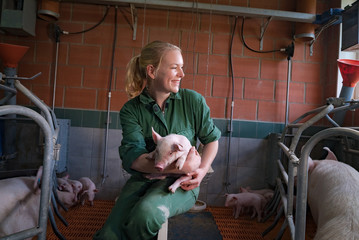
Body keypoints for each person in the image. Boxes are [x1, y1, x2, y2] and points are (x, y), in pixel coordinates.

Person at [93, 41, 221, 240]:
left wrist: (200, 170)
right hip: (141, 180)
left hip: (182, 185)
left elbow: (212, 140)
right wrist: (184, 166)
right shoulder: (131, 110)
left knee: (146, 214)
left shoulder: (193, 101)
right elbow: (132, 157)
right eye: (174, 67)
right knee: (109, 236)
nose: (182, 74)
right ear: (152, 71)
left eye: (182, 67)